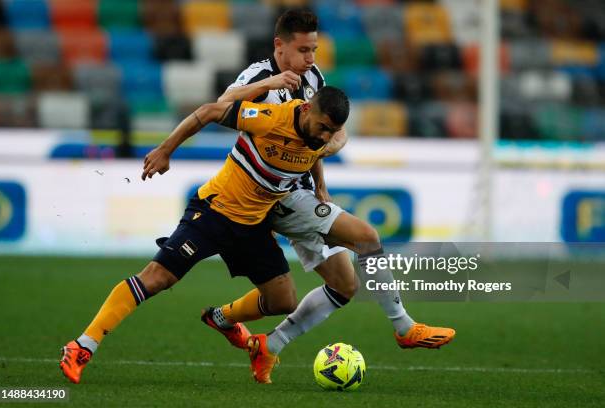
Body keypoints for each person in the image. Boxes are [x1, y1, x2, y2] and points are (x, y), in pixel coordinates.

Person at [201, 10, 455, 384]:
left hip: (297, 190)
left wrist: (320, 179)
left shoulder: (313, 78)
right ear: (280, 46)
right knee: (367, 238)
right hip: (268, 193)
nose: (310, 58)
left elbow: (315, 137)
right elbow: (222, 104)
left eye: (314, 49)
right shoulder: (259, 76)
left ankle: (262, 343)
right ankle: (404, 328)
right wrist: (270, 81)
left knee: (344, 284)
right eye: (303, 50)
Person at [59, 85, 350, 384]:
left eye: (333, 131)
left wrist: (320, 186)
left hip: (253, 225)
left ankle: (221, 318)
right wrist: (165, 149)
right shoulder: (269, 117)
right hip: (215, 211)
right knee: (158, 277)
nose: (326, 136)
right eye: (324, 128)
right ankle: (82, 345)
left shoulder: (315, 133)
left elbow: (311, 151)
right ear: (306, 111)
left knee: (283, 300)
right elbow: (209, 111)